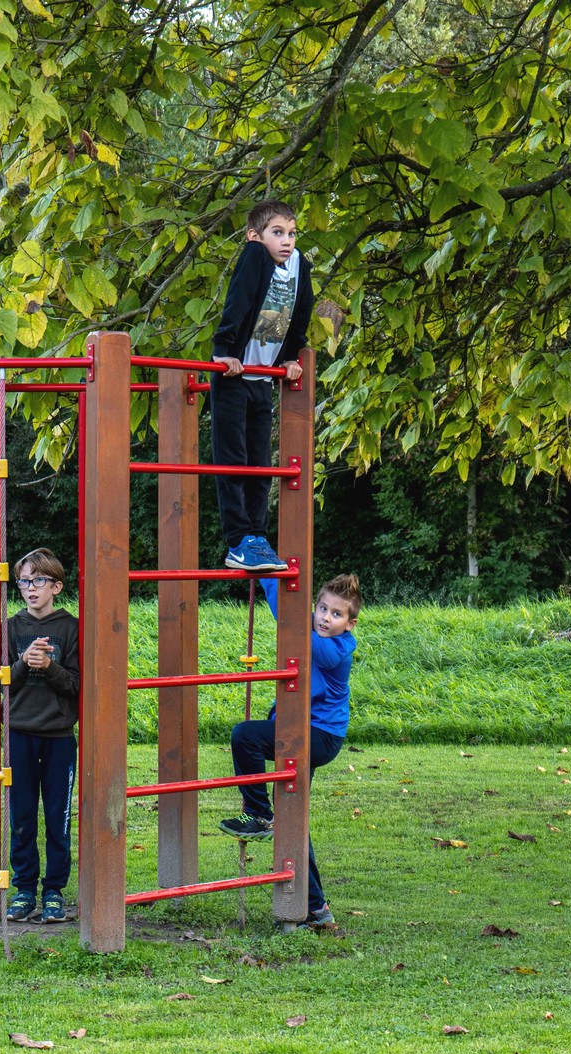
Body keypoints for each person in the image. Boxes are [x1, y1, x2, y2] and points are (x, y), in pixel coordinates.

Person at [219, 572, 361, 929]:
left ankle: (258, 813)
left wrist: (274, 583)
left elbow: (291, 622)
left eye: (336, 614)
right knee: (293, 818)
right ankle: (316, 909)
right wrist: (268, 575)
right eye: (322, 608)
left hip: (319, 736)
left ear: (350, 623)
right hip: (304, 730)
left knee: (245, 736)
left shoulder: (336, 650)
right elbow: (291, 618)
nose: (326, 618)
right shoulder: (315, 634)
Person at [210, 199, 314, 573]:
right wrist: (224, 351)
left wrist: (290, 356)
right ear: (256, 235)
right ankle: (238, 539)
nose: (287, 241)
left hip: (263, 377)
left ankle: (257, 535)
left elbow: (300, 311)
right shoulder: (255, 256)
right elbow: (238, 300)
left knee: (261, 464)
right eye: (277, 233)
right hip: (233, 375)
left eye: (291, 233)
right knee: (233, 459)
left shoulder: (299, 266)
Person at [2, 547, 82, 924]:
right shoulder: (10, 627)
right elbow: (0, 684)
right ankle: (23, 890)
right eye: (23, 581)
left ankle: (53, 891)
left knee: (57, 816)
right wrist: (22, 663)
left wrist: (49, 666)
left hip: (59, 737)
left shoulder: (71, 627)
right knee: (21, 815)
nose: (30, 589)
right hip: (19, 735)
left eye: (38, 581)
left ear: (57, 586)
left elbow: (77, 686)